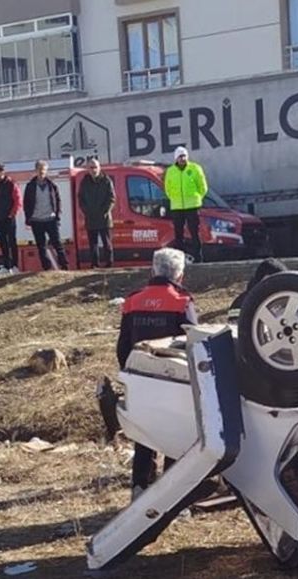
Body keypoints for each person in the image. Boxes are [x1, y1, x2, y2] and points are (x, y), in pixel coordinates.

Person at [117, 247, 198, 496]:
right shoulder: (182, 302)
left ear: (153, 270)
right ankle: (171, 495)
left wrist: (129, 373)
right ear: (180, 274)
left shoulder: (132, 301)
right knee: (176, 437)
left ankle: (140, 488)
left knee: (144, 433)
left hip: (140, 378)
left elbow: (122, 346)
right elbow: (195, 344)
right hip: (174, 382)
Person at [164, 146, 208, 262]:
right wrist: (174, 199)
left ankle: (198, 258)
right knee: (178, 234)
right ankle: (179, 259)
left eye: (184, 156)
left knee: (194, 233)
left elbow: (203, 187)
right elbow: (167, 189)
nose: (182, 159)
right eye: (180, 156)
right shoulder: (170, 171)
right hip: (177, 207)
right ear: (176, 158)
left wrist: (197, 198)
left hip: (192, 206)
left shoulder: (195, 168)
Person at [23, 160, 68, 271]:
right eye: (39, 170)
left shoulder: (52, 185)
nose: (41, 172)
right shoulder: (30, 186)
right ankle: (46, 267)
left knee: (57, 244)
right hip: (36, 220)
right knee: (41, 246)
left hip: (51, 219)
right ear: (36, 171)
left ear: (46, 171)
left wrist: (57, 215)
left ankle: (64, 265)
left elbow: (58, 201)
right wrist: (28, 218)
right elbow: (26, 203)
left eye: (43, 170)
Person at [77, 158, 115, 269]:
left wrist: (105, 211)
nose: (93, 170)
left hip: (104, 217)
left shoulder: (106, 180)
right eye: (91, 167)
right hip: (91, 217)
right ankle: (94, 264)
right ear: (87, 169)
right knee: (93, 244)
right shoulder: (84, 182)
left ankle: (109, 264)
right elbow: (80, 199)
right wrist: (86, 212)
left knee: (107, 243)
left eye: (95, 167)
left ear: (99, 168)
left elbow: (112, 198)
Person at [0, 163, 21, 273]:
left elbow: (18, 200)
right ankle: (7, 267)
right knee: (3, 242)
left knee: (12, 242)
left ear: (1, 172)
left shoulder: (11, 184)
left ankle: (15, 266)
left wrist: (12, 214)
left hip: (8, 217)